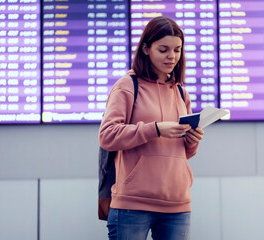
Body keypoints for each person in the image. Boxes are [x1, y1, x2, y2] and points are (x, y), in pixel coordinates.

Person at [98, 16, 204, 240]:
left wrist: (192, 140)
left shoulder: (181, 92)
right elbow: (107, 136)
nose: (172, 56)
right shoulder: (127, 86)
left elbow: (184, 153)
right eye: (163, 49)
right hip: (132, 204)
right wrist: (154, 129)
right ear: (146, 48)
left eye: (177, 50)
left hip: (177, 204)